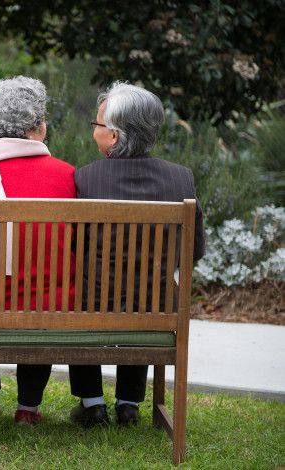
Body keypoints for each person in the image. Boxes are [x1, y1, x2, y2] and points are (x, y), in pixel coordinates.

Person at [68, 82, 205, 427]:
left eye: (97, 125)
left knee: (93, 293)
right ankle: (128, 403)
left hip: (94, 303)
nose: (93, 132)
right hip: (156, 307)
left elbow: (74, 249)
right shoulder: (181, 179)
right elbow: (195, 250)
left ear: (113, 136)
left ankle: (92, 403)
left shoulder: (86, 178)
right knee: (147, 290)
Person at [0, 76, 76, 425]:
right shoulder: (65, 175)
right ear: (36, 127)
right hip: (48, 307)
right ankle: (28, 408)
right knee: (44, 296)